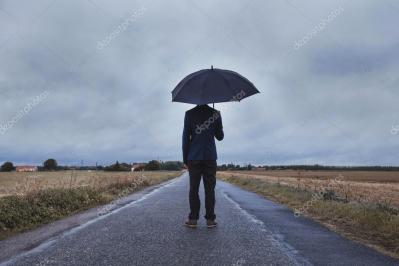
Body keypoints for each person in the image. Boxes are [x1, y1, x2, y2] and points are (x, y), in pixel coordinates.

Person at [182, 104, 224, 228]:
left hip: (194, 157)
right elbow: (220, 137)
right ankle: (210, 220)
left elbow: (185, 138)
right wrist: (219, 126)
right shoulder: (216, 113)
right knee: (210, 189)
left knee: (193, 189)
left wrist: (185, 158)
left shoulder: (189, 114)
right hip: (210, 157)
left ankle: (193, 219)